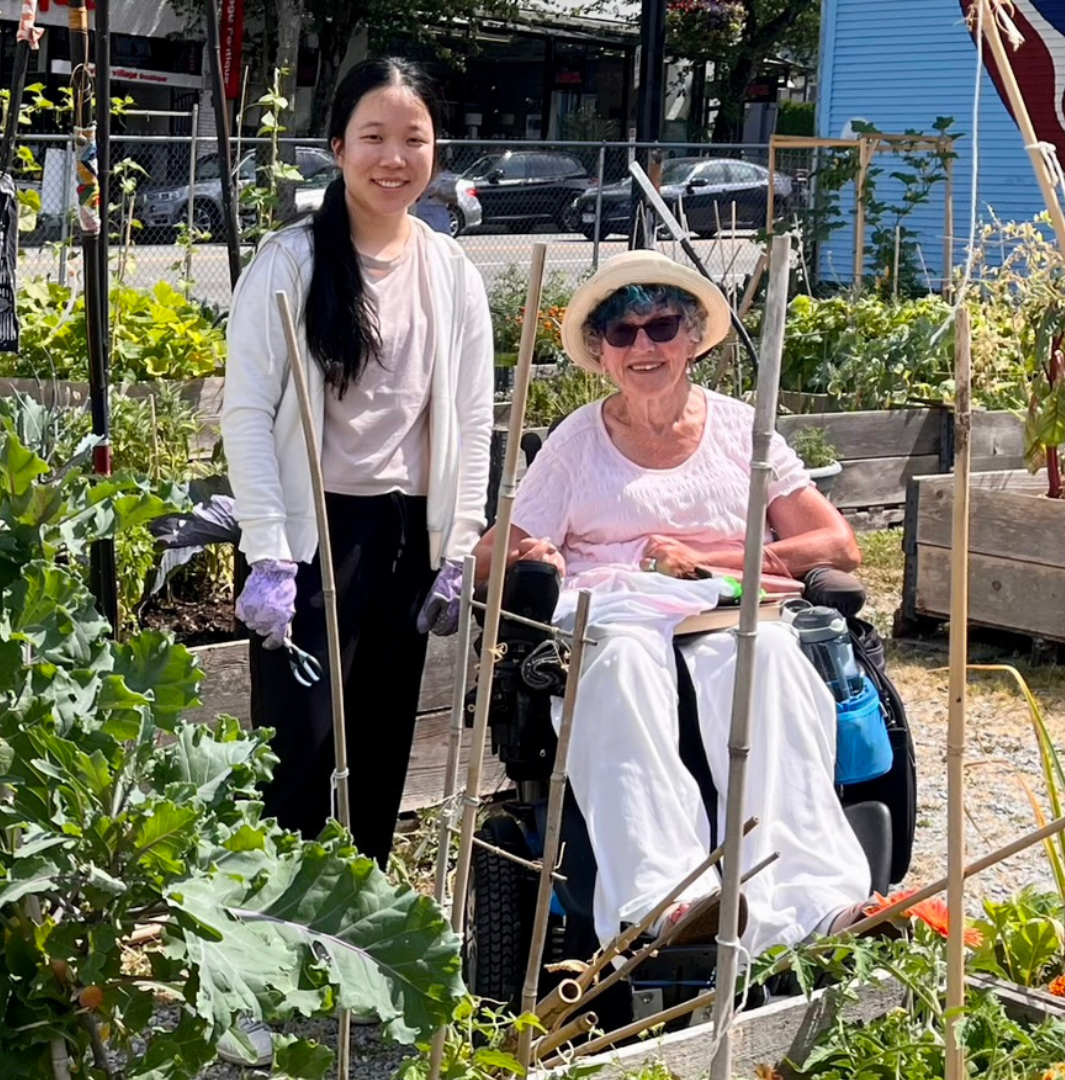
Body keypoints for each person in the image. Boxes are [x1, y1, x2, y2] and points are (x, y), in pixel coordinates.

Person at [473, 250, 872, 959]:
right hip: (620, 614)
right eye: (621, 334)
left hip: (721, 611)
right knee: (622, 663)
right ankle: (665, 901)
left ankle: (818, 902)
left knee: (771, 658)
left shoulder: (740, 431)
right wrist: (535, 557)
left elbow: (837, 544)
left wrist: (715, 562)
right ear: (600, 353)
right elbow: (490, 557)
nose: (643, 347)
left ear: (693, 338)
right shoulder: (574, 445)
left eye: (660, 326)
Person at [221, 57, 493, 868]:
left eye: (414, 139)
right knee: (297, 760)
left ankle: (356, 955)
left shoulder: (452, 275)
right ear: (337, 147)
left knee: (377, 760)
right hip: (311, 537)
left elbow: (473, 420)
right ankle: (272, 952)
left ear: (435, 151)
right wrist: (269, 551)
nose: (393, 157)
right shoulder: (290, 264)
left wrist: (460, 542)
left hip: (405, 538)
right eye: (373, 136)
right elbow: (246, 414)